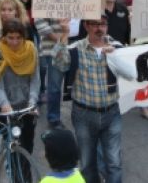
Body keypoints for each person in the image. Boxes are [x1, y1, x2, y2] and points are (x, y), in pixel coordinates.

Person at [54, 12, 134, 183]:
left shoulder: (116, 47)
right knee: (87, 163)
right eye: (95, 24)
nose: (99, 28)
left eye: (103, 24)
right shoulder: (76, 48)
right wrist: (64, 35)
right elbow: (60, 64)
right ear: (86, 26)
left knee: (114, 162)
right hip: (83, 114)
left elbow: (133, 74)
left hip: (111, 113)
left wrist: (114, 57)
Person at [35, 0, 87, 129]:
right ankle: (54, 118)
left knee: (78, 82)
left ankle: (80, 116)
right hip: (55, 44)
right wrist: (58, 37)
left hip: (77, 44)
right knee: (55, 85)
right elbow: (39, 22)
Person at [0, 18, 40, 180]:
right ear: (4, 37)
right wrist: (5, 105)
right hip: (7, 111)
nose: (15, 42)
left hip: (26, 108)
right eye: (11, 38)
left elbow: (35, 79)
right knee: (14, 151)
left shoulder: (31, 50)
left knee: (27, 151)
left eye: (18, 38)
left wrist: (32, 102)